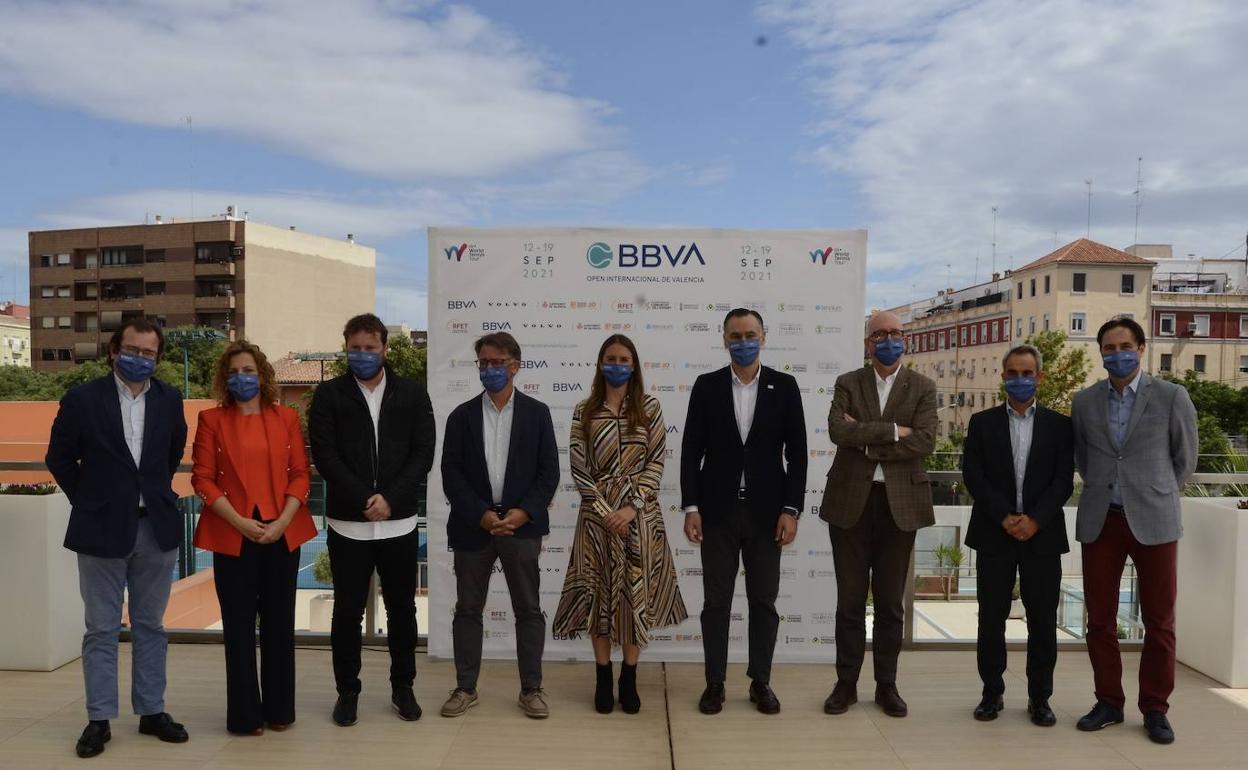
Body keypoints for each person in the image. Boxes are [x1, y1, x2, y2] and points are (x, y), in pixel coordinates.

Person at [45, 317, 190, 758]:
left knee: (151, 626)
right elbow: (59, 458)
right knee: (101, 628)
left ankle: (151, 711)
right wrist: (91, 499)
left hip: (155, 527)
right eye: (133, 349)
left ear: (158, 358)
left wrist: (147, 495)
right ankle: (99, 719)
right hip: (100, 528)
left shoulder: (170, 399)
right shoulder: (83, 398)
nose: (141, 358)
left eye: (150, 353)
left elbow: (171, 455)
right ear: (114, 350)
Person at [1071, 317, 1196, 744]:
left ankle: (1156, 708)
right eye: (1108, 347)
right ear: (1101, 352)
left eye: (1125, 345)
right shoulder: (1084, 402)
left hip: (1155, 519)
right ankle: (1108, 701)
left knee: (1160, 622)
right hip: (1102, 519)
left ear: (1141, 348)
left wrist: (1153, 491)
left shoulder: (1171, 396)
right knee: (1100, 621)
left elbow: (1185, 460)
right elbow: (1085, 460)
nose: (1116, 353)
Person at [308, 313, 436, 726]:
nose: (362, 355)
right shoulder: (328, 396)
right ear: (346, 347)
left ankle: (403, 688)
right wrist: (366, 497)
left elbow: (423, 454)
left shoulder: (413, 394)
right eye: (355, 347)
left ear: (384, 347)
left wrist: (391, 499)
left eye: (370, 347)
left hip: (398, 524)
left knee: (402, 610)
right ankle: (348, 691)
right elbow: (325, 456)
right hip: (349, 523)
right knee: (347, 613)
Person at [680, 309, 806, 715]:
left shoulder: (784, 386)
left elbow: (798, 453)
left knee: (764, 602)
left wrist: (791, 509)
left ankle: (760, 681)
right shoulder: (706, 386)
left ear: (764, 337)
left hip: (768, 515)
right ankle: (714, 683)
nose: (743, 341)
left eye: (750, 334)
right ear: (724, 340)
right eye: (735, 335)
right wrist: (691, 506)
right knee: (716, 603)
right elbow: (690, 451)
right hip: (716, 514)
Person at [554, 334, 687, 715]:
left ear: (634, 365)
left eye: (624, 358)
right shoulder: (584, 410)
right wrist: (603, 510)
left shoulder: (650, 407)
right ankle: (601, 676)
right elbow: (579, 467)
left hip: (640, 518)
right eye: (610, 358)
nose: (617, 364)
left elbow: (657, 462)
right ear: (600, 363)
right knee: (598, 598)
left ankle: (629, 677)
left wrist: (629, 509)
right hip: (595, 522)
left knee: (635, 598)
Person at [191, 341, 318, 735]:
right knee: (240, 626)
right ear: (224, 379)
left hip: (283, 532)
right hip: (234, 535)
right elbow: (203, 479)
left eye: (248, 370)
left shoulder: (286, 418)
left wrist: (282, 520)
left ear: (262, 375)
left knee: (280, 625)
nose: (241, 378)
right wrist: (240, 522)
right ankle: (245, 716)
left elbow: (300, 473)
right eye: (233, 372)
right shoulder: (211, 420)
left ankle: (280, 711)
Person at [821, 310, 936, 719]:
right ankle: (846, 684)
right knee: (849, 603)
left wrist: (867, 437)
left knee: (890, 605)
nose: (888, 339)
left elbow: (924, 441)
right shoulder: (847, 382)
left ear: (905, 339)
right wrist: (893, 431)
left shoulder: (923, 386)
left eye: (895, 333)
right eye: (880, 334)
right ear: (868, 342)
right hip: (851, 502)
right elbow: (838, 430)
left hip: (899, 506)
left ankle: (887, 685)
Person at [439, 332, 560, 719]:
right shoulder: (461, 416)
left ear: (515, 365)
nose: (489, 369)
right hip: (474, 528)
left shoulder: (537, 413)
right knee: (467, 611)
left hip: (522, 528)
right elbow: (451, 473)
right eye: (483, 363)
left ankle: (532, 689)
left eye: (496, 362)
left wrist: (523, 513)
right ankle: (465, 688)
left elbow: (548, 473)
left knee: (528, 610)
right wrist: (482, 514)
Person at [961, 344, 1073, 726]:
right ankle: (991, 693)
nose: (1020, 380)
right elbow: (973, 475)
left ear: (1039, 377)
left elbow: (1062, 480)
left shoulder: (1060, 425)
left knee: (1042, 620)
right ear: (1003, 376)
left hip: (1042, 536)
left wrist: (1035, 520)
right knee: (991, 618)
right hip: (995, 534)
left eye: (1027, 373)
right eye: (1013, 373)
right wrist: (1006, 517)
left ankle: (1040, 698)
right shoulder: (982, 422)